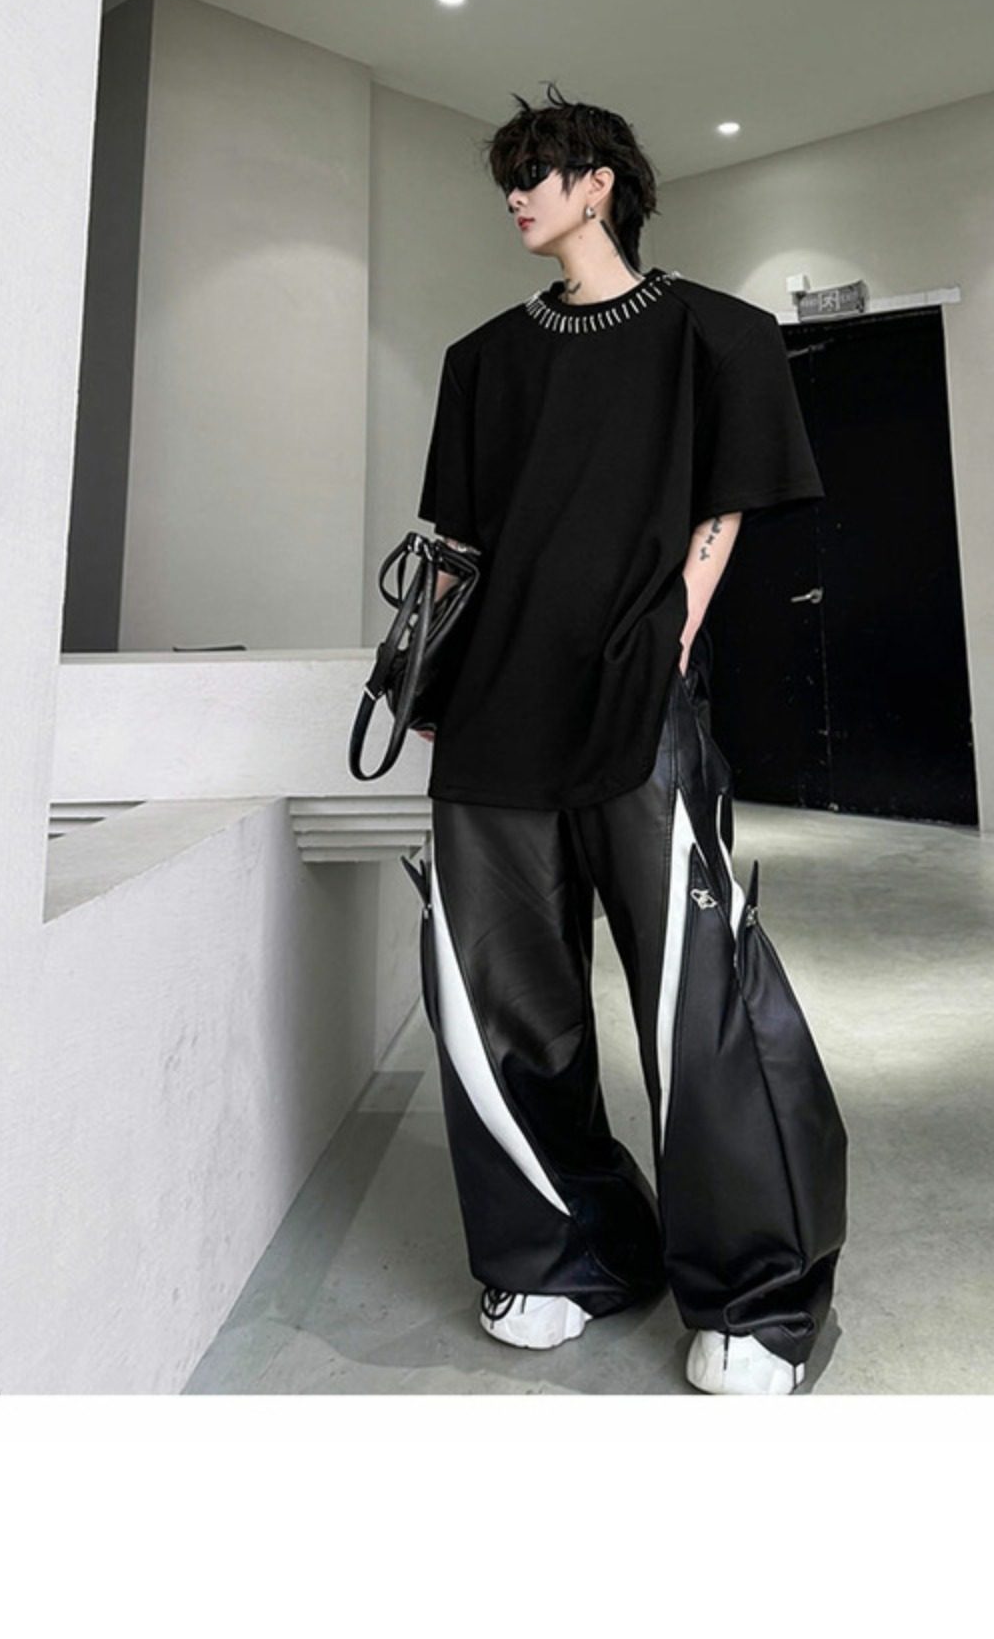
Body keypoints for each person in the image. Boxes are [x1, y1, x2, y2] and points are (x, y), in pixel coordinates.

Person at [410, 82, 844, 1396]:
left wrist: (672, 638)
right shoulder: (481, 361)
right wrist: (426, 688)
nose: (515, 194)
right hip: (493, 714)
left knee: (694, 999)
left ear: (599, 182)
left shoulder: (719, 334)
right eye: (507, 176)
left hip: (637, 701)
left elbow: (726, 506)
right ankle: (565, 1252)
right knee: (501, 1002)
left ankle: (760, 1294)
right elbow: (457, 548)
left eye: (536, 171)